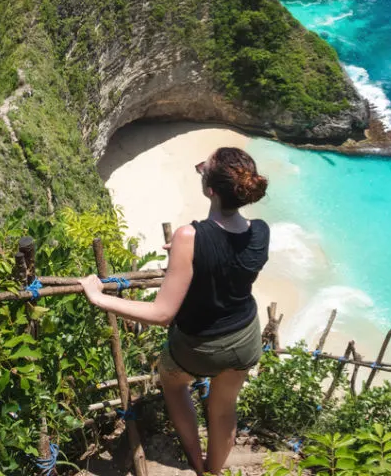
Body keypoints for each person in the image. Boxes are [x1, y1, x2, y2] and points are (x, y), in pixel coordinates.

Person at [80, 146, 270, 476]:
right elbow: (231, 263)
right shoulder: (261, 230)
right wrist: (186, 252)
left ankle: (197, 466)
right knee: (225, 409)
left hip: (199, 346)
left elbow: (162, 313)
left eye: (203, 169)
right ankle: (213, 472)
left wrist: (99, 296)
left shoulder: (189, 236)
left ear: (210, 190)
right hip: (246, 338)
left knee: (173, 383)